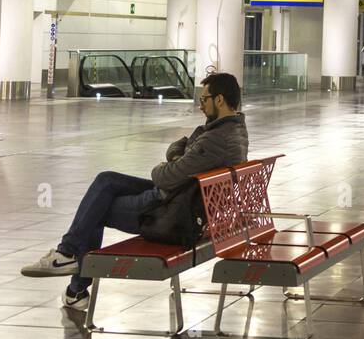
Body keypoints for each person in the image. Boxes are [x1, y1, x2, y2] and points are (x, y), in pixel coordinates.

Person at [20, 72, 249, 310]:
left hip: (170, 213)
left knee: (97, 207)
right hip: (182, 199)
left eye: (204, 99)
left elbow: (165, 174)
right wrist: (178, 158)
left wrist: (170, 163)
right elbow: (179, 146)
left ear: (219, 100)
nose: (200, 105)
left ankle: (71, 270)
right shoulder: (234, 130)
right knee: (106, 181)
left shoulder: (215, 140)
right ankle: (70, 270)